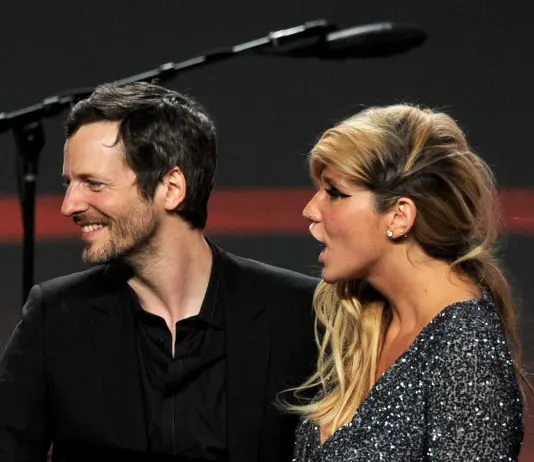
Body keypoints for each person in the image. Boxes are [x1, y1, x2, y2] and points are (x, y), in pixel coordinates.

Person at [0, 82, 319, 462]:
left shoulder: (299, 313)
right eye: (69, 184)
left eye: (93, 184)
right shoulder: (55, 317)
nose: (69, 206)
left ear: (171, 188)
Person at [289, 104, 526, 461]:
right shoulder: (365, 325)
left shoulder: (465, 347)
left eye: (334, 192)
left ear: (399, 216)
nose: (311, 210)